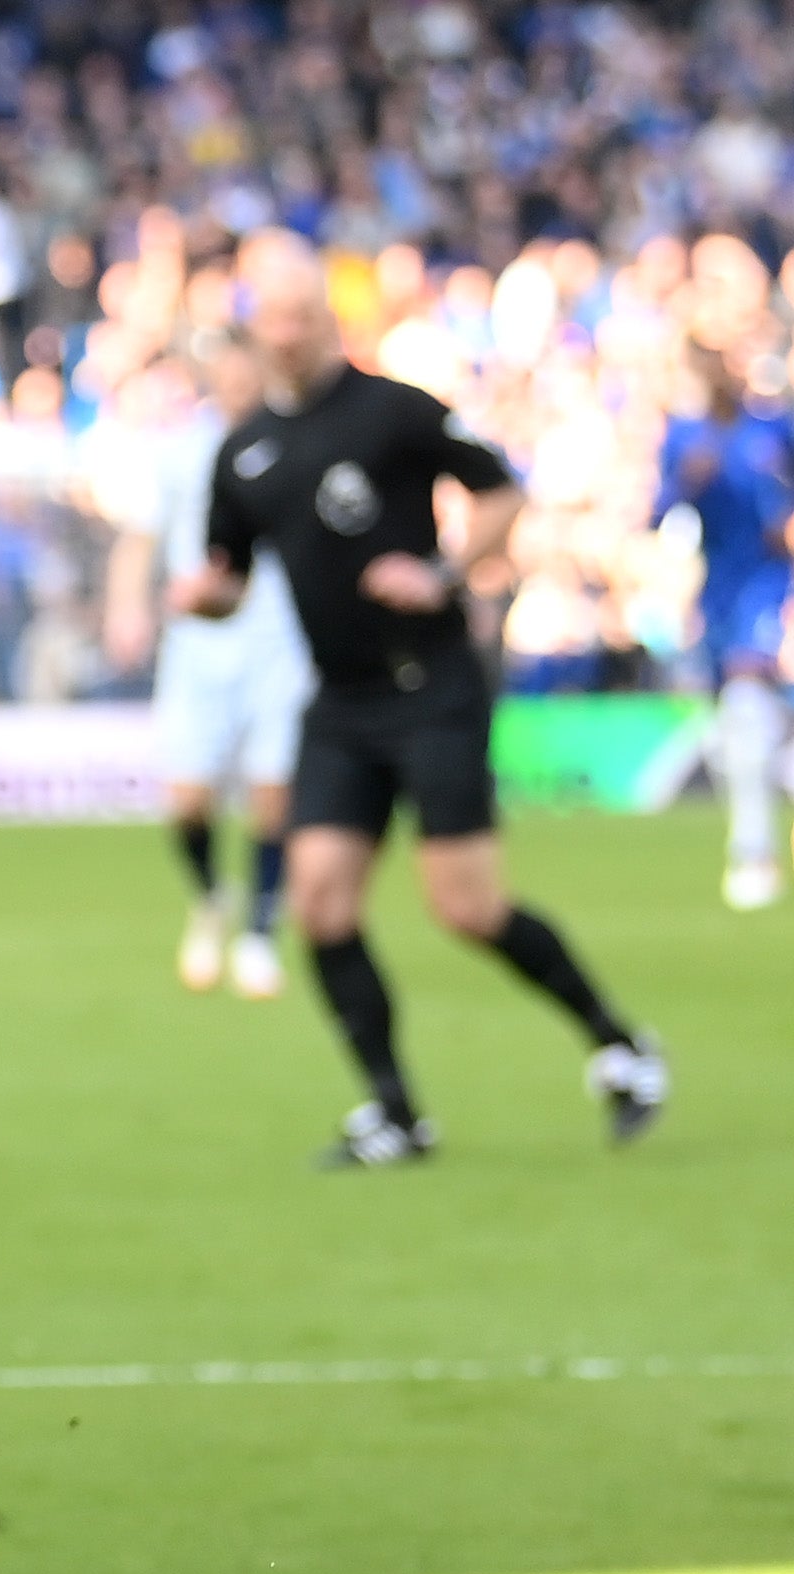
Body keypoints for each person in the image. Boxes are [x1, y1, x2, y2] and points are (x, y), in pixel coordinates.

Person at [175, 236, 665, 1167]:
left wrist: (442, 571)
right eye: (272, 320)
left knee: (468, 909)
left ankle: (620, 1044)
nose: (287, 335)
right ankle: (395, 1112)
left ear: (329, 320)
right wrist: (201, 597)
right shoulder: (243, 453)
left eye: (303, 317)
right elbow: (227, 576)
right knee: (320, 903)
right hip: (341, 704)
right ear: (253, 331)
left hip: (429, 687)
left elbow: (500, 495)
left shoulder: (391, 411)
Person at [114, 327, 311, 997]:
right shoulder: (181, 452)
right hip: (198, 646)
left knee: (272, 795)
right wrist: (127, 609)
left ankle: (259, 932)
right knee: (188, 800)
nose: (235, 387)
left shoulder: (294, 444)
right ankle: (211, 896)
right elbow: (140, 538)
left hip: (279, 640)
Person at [655, 339, 793, 912]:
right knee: (756, 730)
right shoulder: (686, 439)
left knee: (747, 705)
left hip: (773, 586)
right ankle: (752, 851)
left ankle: (752, 852)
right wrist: (688, 480)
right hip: (721, 595)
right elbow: (657, 512)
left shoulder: (772, 428)